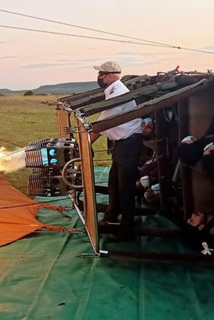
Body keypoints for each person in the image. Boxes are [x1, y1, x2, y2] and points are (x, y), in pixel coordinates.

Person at [90, 61, 142, 239]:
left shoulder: (118, 93)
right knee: (114, 182)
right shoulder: (112, 91)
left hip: (128, 143)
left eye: (101, 75)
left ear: (111, 75)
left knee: (125, 186)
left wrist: (83, 142)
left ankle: (127, 228)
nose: (99, 78)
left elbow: (101, 124)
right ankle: (112, 215)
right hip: (121, 144)